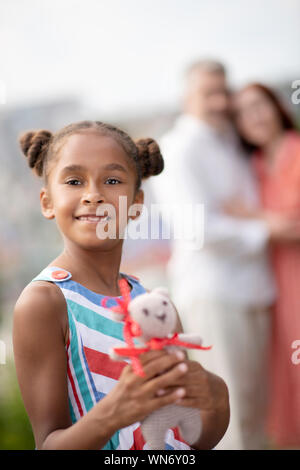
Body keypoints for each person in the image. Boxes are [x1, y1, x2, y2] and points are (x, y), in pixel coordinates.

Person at [12, 120, 229, 450]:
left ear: (136, 203)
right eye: (74, 181)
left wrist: (217, 398)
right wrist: (112, 414)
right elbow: (48, 444)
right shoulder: (44, 302)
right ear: (47, 202)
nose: (94, 195)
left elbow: (191, 440)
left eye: (112, 180)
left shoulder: (151, 302)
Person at [150, 61, 277, 450]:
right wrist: (267, 228)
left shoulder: (229, 143)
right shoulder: (178, 147)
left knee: (258, 413)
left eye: (224, 91)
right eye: (209, 93)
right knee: (228, 416)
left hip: (256, 289)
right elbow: (196, 230)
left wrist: (250, 219)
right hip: (215, 295)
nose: (221, 101)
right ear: (186, 97)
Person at [232, 83, 300, 449]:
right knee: (285, 381)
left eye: (258, 105)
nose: (253, 117)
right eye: (241, 113)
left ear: (276, 107)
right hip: (272, 286)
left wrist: (254, 218)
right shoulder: (252, 167)